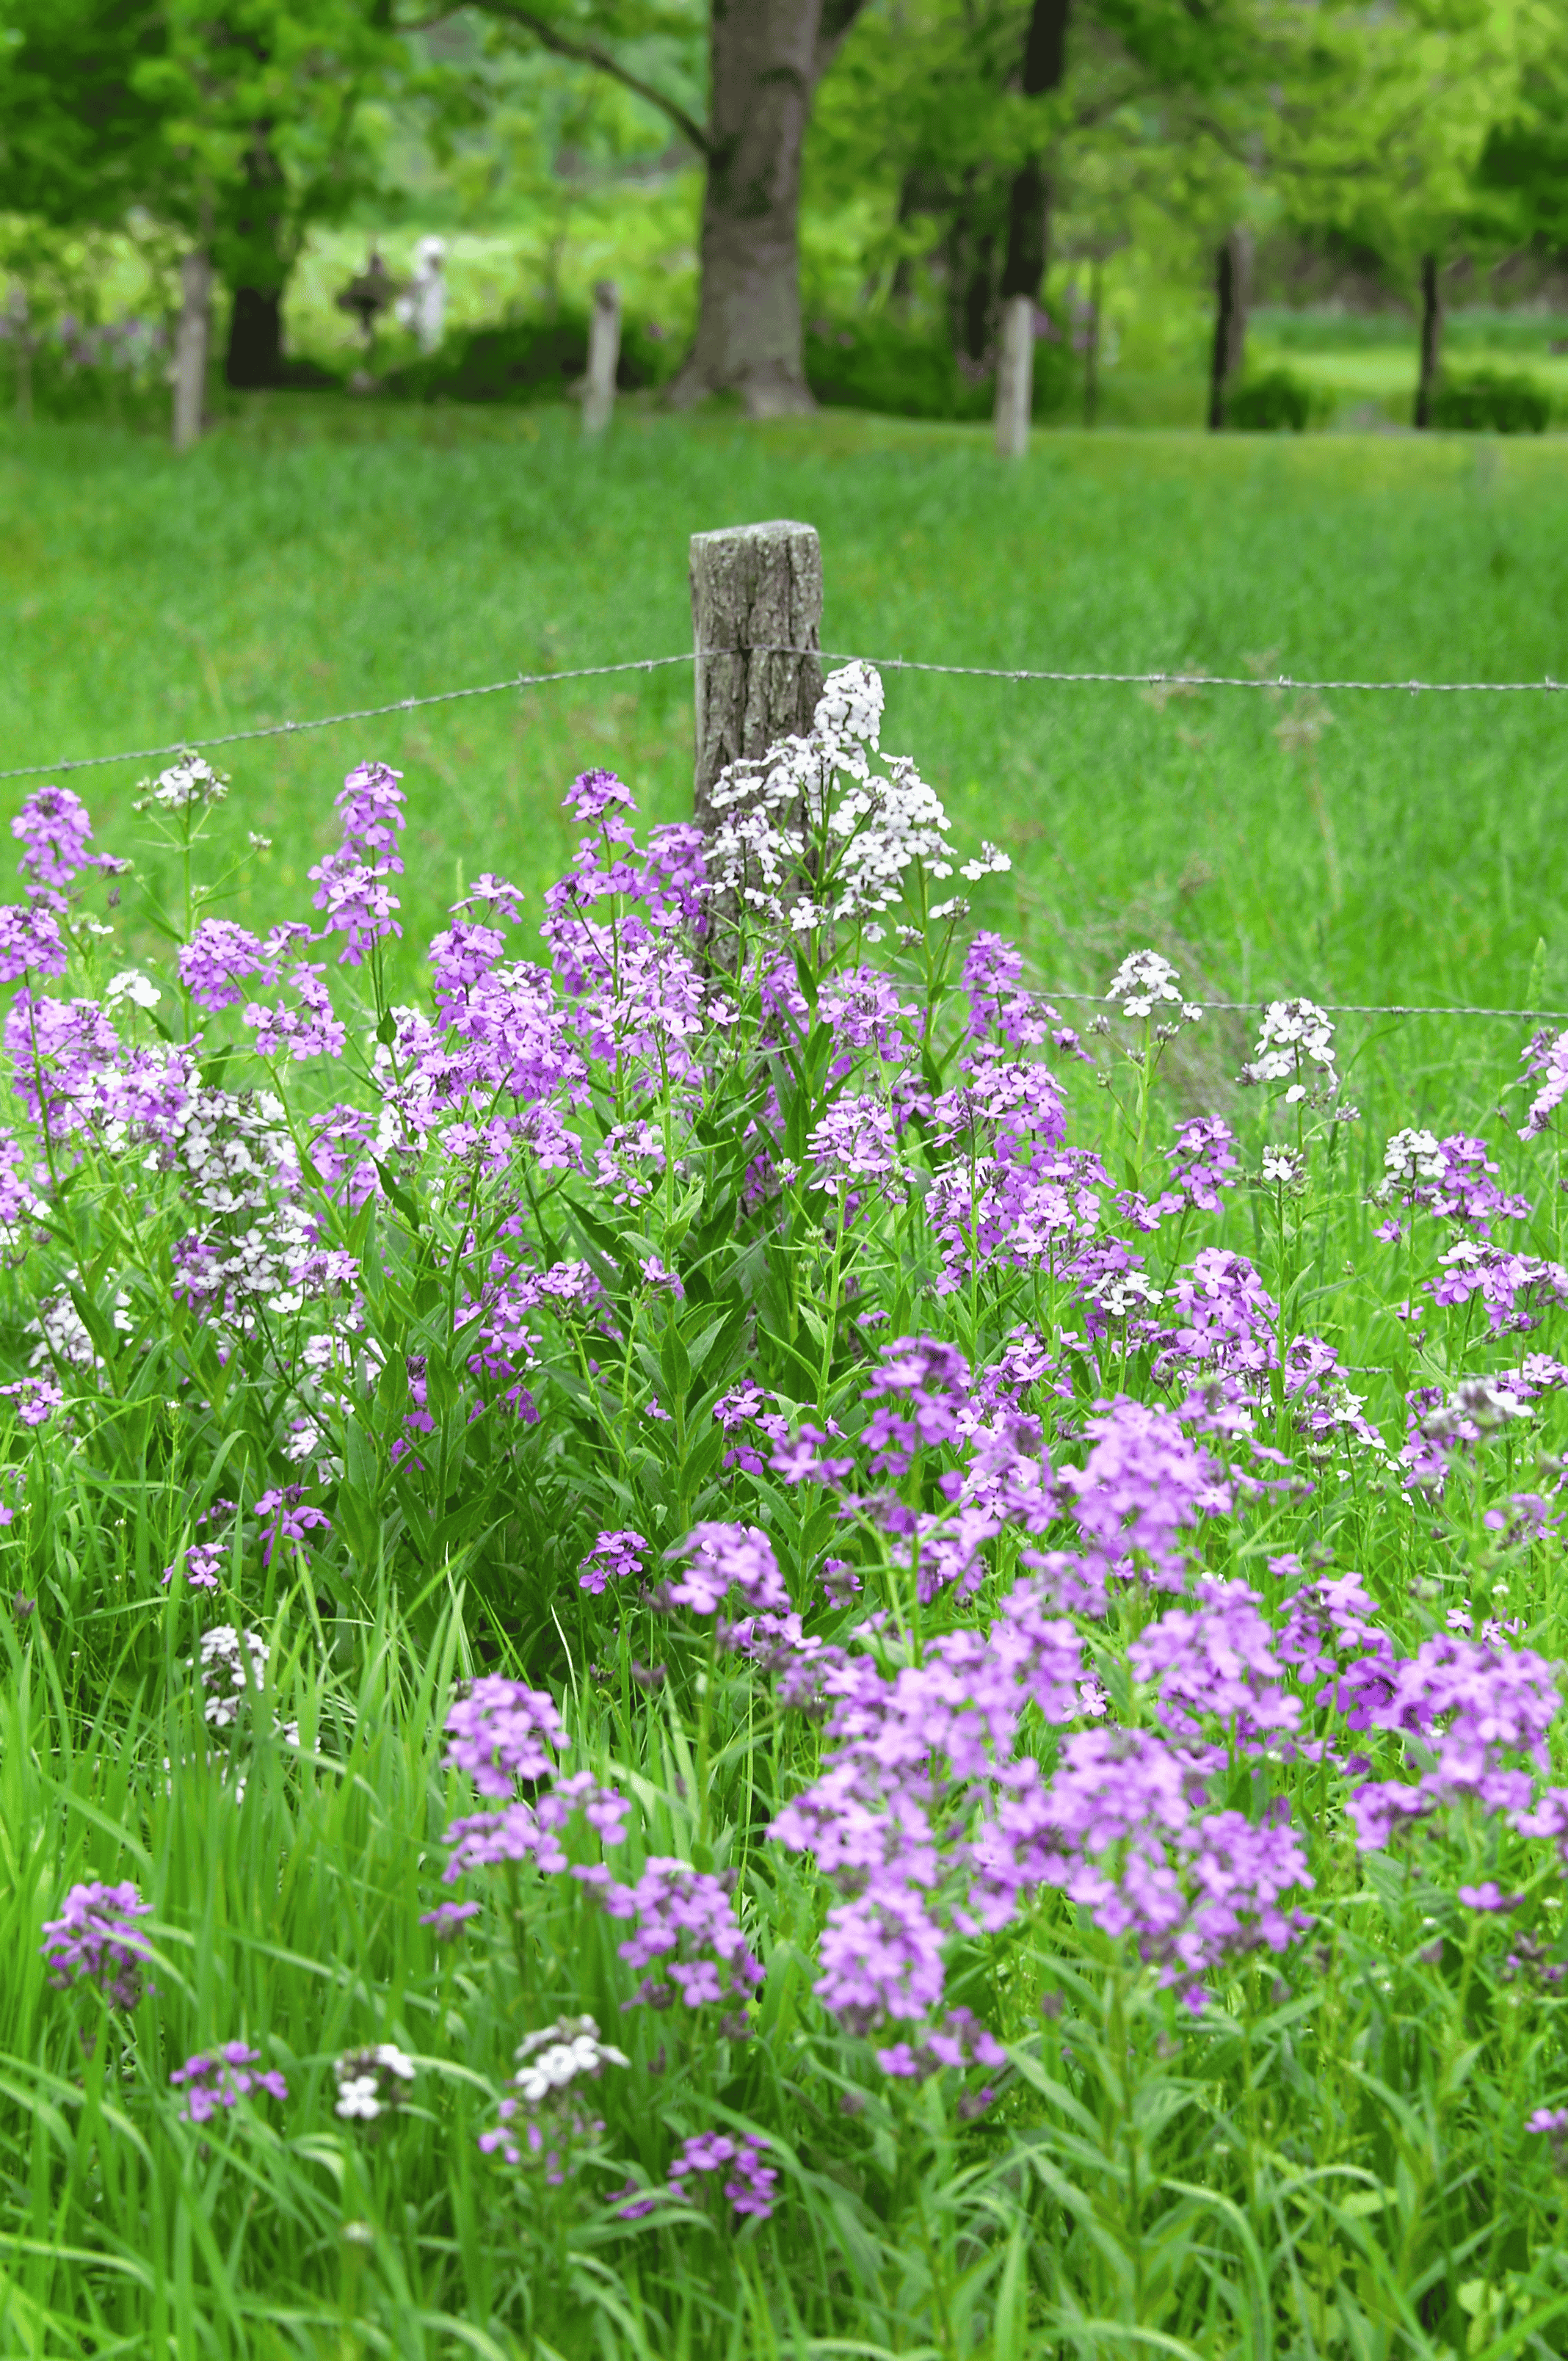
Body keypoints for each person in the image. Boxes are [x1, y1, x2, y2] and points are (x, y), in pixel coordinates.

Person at [396, 238, 447, 356]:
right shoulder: (421, 278)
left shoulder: (439, 279)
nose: (437, 263)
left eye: (438, 260)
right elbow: (409, 300)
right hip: (420, 319)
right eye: (434, 260)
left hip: (433, 321)